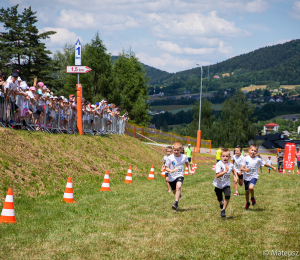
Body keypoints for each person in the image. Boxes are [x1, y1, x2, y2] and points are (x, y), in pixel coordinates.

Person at [241, 144, 276, 210]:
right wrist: (245, 170)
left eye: (255, 151)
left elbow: (265, 164)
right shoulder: (245, 158)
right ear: (249, 150)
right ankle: (247, 203)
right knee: (247, 192)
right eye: (252, 150)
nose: (253, 152)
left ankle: (253, 198)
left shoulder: (258, 159)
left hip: (254, 176)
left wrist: (272, 167)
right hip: (246, 177)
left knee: (251, 187)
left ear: (256, 152)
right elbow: (242, 168)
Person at [165, 142, 191, 210]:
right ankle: (178, 195)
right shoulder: (170, 158)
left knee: (178, 187)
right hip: (171, 177)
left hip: (180, 175)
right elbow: (166, 167)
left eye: (178, 150)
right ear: (173, 150)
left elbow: (187, 163)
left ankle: (176, 203)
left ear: (181, 150)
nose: (176, 151)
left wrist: (190, 170)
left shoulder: (184, 156)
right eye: (175, 150)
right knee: (175, 191)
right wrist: (171, 171)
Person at [213, 148, 234, 217]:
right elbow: (217, 175)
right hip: (218, 185)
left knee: (227, 195)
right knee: (219, 199)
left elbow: (234, 170)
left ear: (229, 157)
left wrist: (236, 176)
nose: (225, 158)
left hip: (226, 184)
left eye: (227, 156)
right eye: (223, 156)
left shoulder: (230, 165)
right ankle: (221, 203)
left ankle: (223, 210)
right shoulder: (218, 164)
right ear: (220, 156)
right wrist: (225, 171)